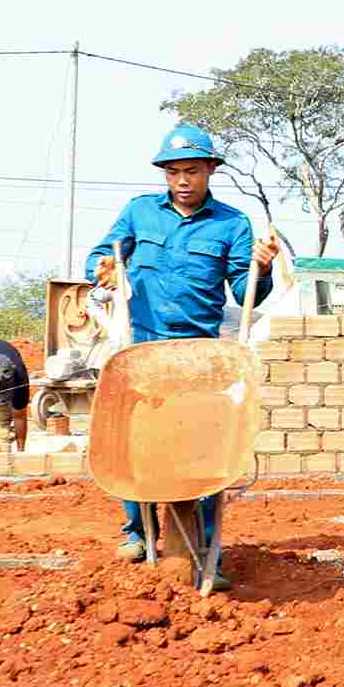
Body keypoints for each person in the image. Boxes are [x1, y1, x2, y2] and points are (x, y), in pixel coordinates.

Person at [86, 125, 277, 587]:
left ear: (210, 170)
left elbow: (244, 291)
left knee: (204, 452)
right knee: (138, 445)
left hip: (201, 355)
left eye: (192, 171)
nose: (182, 181)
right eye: (173, 173)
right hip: (144, 348)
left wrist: (262, 268)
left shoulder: (232, 224)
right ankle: (137, 533)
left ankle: (208, 550)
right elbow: (103, 254)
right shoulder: (139, 212)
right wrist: (103, 267)